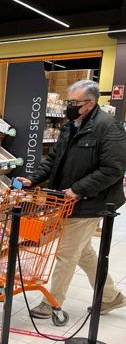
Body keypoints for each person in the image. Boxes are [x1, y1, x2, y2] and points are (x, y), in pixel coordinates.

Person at [17, 80, 126, 318]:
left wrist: (78, 189)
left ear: (90, 103)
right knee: (83, 252)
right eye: (68, 101)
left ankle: (52, 302)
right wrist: (33, 180)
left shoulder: (109, 128)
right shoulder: (70, 126)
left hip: (91, 201)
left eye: (73, 102)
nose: (69, 106)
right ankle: (111, 297)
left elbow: (114, 168)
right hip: (66, 200)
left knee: (66, 253)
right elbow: (54, 159)